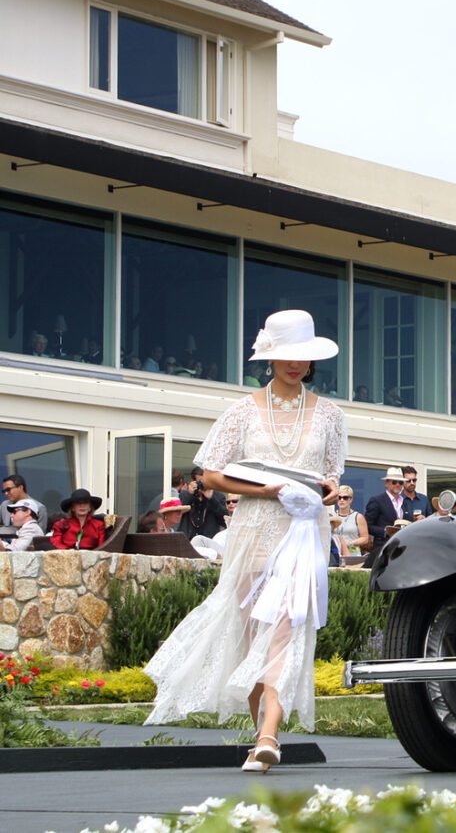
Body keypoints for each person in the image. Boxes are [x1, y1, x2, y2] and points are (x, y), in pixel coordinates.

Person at [144, 309, 345, 776]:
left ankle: (269, 736)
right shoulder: (242, 411)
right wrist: (265, 490)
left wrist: (330, 489)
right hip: (255, 528)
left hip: (304, 532)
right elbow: (212, 473)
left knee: (286, 630)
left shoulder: (331, 416)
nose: (296, 365)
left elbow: (332, 474)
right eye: (286, 356)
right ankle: (262, 733)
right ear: (270, 358)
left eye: (303, 357)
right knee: (253, 632)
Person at [364, 467, 408, 560]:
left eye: (400, 482)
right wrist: (386, 532)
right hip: (382, 548)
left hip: (400, 548)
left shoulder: (404, 502)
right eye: (394, 482)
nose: (397, 485)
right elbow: (367, 525)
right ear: (386, 483)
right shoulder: (377, 500)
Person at [331, 485, 370, 563]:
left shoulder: (358, 517)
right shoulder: (332, 516)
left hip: (353, 554)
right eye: (339, 497)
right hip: (336, 554)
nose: (342, 500)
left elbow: (365, 538)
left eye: (345, 498)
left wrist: (349, 543)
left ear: (351, 499)